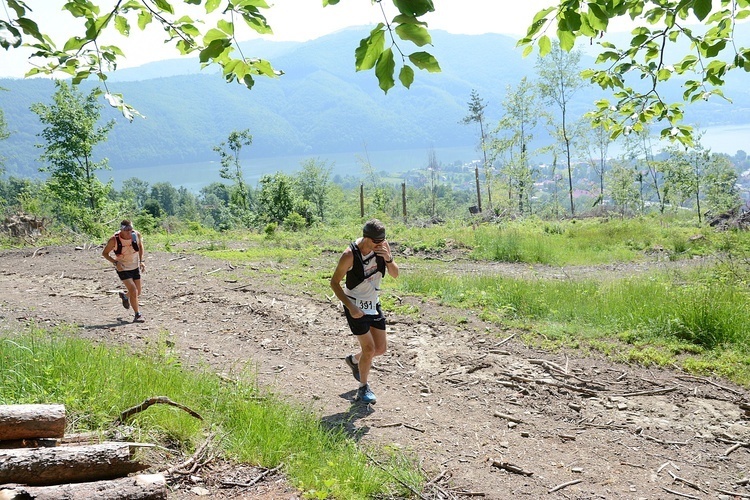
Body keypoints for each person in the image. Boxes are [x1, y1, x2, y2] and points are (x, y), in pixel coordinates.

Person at [330, 219, 399, 404]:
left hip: (373, 304)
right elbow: (334, 283)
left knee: (380, 349)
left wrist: (388, 258)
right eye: (376, 242)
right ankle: (363, 388)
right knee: (369, 349)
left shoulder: (382, 248)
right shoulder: (349, 255)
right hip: (355, 305)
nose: (380, 245)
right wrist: (350, 307)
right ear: (366, 238)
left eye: (383, 241)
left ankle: (354, 361)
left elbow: (395, 274)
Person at [102, 219, 146, 322]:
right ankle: (137, 315)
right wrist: (115, 263)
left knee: (137, 292)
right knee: (134, 290)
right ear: (121, 230)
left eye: (131, 229)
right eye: (127, 229)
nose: (129, 232)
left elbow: (140, 246)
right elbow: (105, 253)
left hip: (134, 266)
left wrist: (142, 261)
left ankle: (125, 296)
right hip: (122, 268)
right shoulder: (114, 240)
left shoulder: (136, 235)